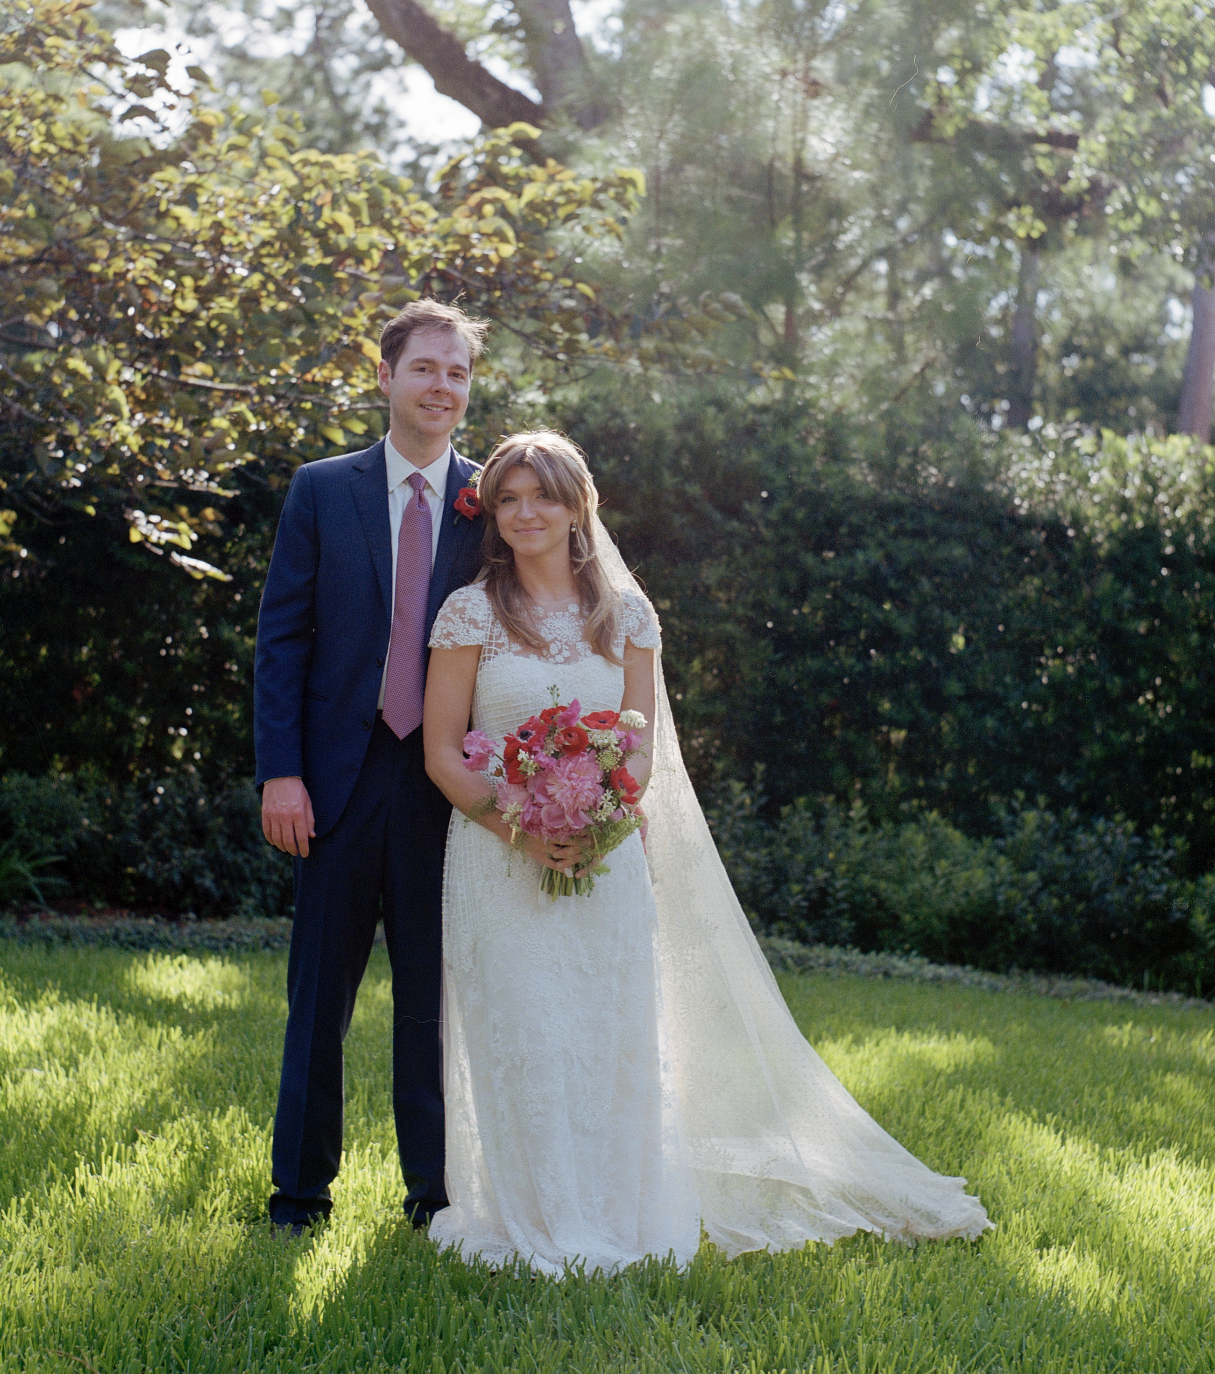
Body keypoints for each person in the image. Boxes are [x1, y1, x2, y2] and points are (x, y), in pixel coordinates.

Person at [422, 432, 993, 1274]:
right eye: (507, 498)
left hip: (606, 855)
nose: (524, 514)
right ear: (492, 514)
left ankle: (617, 1209)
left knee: (608, 1036)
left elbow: (642, 747)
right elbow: (440, 751)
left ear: (578, 505)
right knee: (528, 1036)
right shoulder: (471, 612)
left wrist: (600, 814)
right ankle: (533, 1215)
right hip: (498, 855)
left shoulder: (628, 614)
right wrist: (524, 828)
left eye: (541, 495)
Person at [254, 299, 489, 1233]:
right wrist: (282, 772)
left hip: (445, 788)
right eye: (425, 368)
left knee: (432, 1003)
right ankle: (299, 1196)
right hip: (335, 786)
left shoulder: (496, 500)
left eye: (458, 373)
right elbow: (283, 638)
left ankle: (435, 1198)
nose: (442, 386)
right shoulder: (322, 488)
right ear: (385, 376)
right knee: (318, 1002)